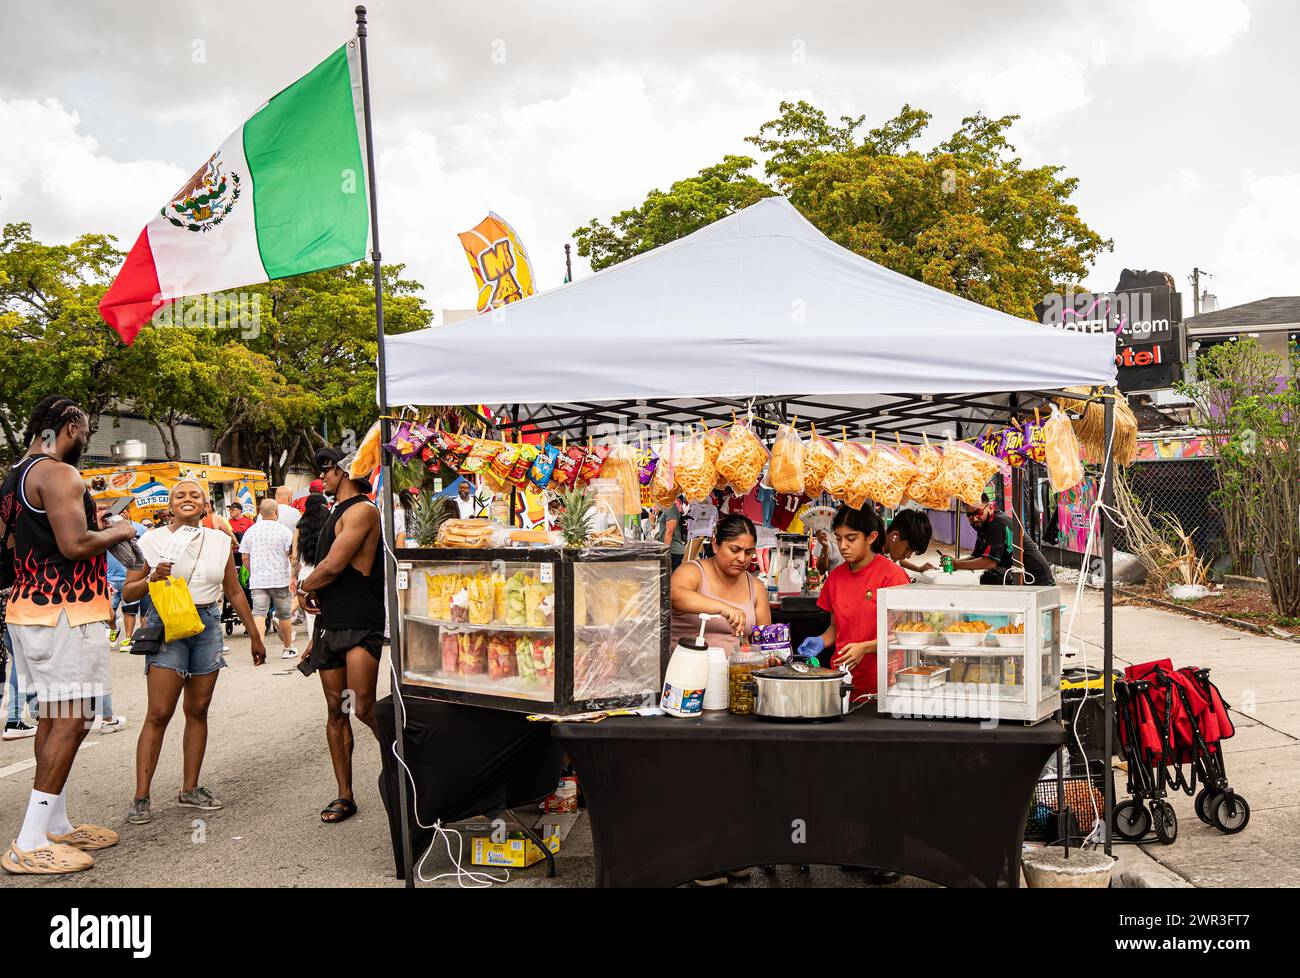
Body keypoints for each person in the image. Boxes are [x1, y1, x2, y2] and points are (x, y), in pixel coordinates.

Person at [0, 395, 139, 874]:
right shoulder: (60, 473)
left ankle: (54, 823)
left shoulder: (17, 473)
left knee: (53, 719)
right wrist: (120, 531)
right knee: (73, 720)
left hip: (29, 609)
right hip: (65, 612)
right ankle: (29, 840)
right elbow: (75, 545)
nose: (85, 438)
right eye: (83, 429)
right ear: (69, 428)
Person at [122, 479, 266, 826]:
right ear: (170, 506)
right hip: (167, 623)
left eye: (195, 496)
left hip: (206, 625)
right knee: (159, 712)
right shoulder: (151, 541)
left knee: (198, 709)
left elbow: (232, 590)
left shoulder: (219, 541)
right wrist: (152, 577)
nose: (187, 499)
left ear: (205, 505)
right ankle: (141, 797)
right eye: (180, 495)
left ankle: (190, 788)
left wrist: (255, 635)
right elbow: (128, 593)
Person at [299, 447, 384, 825]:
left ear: (341, 471)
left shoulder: (363, 510)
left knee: (362, 706)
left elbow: (332, 567)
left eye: (326, 470)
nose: (323, 477)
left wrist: (303, 587)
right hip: (331, 624)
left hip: (361, 622)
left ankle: (410, 762)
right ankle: (344, 795)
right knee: (336, 711)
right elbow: (324, 568)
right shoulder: (334, 510)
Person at [798, 505, 910, 696]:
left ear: (871, 537)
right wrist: (821, 641)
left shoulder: (893, 577)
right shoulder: (835, 578)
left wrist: (865, 648)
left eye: (851, 539)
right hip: (842, 681)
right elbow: (835, 628)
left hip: (883, 684)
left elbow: (904, 636)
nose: (842, 546)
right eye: (838, 538)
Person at [670, 514, 772, 644]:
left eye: (748, 552)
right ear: (715, 546)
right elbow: (674, 595)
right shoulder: (692, 571)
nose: (742, 558)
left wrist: (770, 654)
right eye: (735, 550)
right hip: (689, 663)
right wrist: (724, 608)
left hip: (737, 664)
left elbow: (764, 640)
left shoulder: (756, 587)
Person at [940, 497, 1056, 586]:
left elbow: (989, 562)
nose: (974, 518)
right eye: (969, 515)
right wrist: (955, 562)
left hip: (1036, 580)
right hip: (1017, 576)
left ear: (990, 508)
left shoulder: (997, 524)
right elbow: (976, 557)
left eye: (978, 513)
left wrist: (957, 564)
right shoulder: (983, 526)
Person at [238, 499, 297, 658]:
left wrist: (253, 571)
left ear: (259, 512)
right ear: (276, 512)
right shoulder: (284, 531)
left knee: (258, 614)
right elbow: (291, 556)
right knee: (284, 615)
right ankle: (287, 648)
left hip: (258, 580)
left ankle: (259, 649)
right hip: (280, 579)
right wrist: (293, 575)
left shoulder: (251, 531)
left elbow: (244, 557)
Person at [290, 493, 330, 637]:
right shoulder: (329, 520)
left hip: (306, 574)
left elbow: (294, 557)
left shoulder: (300, 525)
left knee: (311, 614)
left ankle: (313, 645)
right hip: (325, 571)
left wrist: (293, 577)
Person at [2, 587, 38, 739]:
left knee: (22, 662)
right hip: (15, 603)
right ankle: (14, 719)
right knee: (21, 662)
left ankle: (37, 710)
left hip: (8, 606)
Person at [883, 509, 934, 574]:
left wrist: (918, 568)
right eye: (907, 549)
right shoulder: (871, 554)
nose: (908, 556)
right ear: (894, 536)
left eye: (911, 552)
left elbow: (899, 560)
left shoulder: (889, 548)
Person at [655, 498, 686, 570]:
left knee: (671, 578)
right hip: (672, 550)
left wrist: (664, 552)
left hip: (673, 550)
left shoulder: (670, 508)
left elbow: (669, 533)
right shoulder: (668, 508)